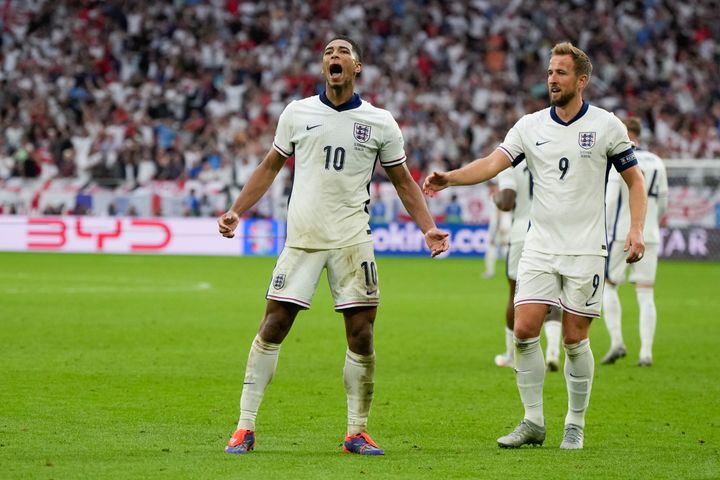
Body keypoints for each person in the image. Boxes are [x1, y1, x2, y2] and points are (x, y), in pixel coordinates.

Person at [218, 36, 449, 456]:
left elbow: (403, 181)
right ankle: (244, 427)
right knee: (273, 326)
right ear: (323, 67)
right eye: (328, 52)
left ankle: (356, 432)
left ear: (356, 67)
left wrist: (427, 228)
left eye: (342, 52)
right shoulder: (297, 113)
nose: (334, 57)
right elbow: (270, 167)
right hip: (303, 239)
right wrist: (237, 209)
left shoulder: (381, 121)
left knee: (361, 334)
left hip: (351, 240)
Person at [423, 42, 647, 450]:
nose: (552, 80)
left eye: (561, 73)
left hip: (585, 249)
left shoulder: (607, 125)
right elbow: (493, 163)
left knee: (574, 339)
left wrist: (636, 230)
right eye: (549, 72)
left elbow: (635, 180)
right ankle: (533, 421)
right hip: (539, 245)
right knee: (525, 330)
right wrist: (450, 177)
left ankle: (574, 423)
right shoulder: (529, 126)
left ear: (581, 80)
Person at [601, 117, 668, 367]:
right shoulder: (657, 162)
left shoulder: (620, 159)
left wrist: (605, 231)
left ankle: (617, 341)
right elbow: (663, 203)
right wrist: (650, 225)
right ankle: (646, 353)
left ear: (625, 133)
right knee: (646, 293)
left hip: (621, 234)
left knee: (609, 286)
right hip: (649, 234)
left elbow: (609, 201)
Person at [492, 167, 562, 372]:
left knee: (514, 293)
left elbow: (506, 202)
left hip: (522, 232)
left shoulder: (509, 161)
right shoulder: (549, 152)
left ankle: (512, 356)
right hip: (551, 234)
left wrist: (495, 198)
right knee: (553, 294)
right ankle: (552, 352)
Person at [483, 183, 511, 279]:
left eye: (491, 186)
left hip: (499, 225)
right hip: (507, 223)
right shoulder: (507, 195)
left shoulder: (496, 196)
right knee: (506, 248)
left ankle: (490, 272)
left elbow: (499, 211)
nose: (490, 188)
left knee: (491, 247)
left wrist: (498, 226)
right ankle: (511, 271)